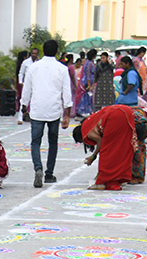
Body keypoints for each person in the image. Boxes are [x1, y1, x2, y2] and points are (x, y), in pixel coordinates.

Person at [22, 39, 73, 188]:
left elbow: (27, 89)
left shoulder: (34, 67)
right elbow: (66, 92)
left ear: (43, 51)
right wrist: (67, 114)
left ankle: (38, 167)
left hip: (37, 109)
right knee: (53, 142)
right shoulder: (62, 69)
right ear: (57, 52)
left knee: (36, 142)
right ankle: (49, 173)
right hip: (54, 110)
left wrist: (24, 105)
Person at [73, 104, 136, 191]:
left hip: (115, 115)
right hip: (127, 111)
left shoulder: (86, 130)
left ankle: (103, 182)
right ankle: (120, 178)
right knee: (122, 148)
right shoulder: (89, 121)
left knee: (108, 151)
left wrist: (93, 156)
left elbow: (101, 142)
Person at [17, 47, 40, 123]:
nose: (34, 55)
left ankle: (33, 117)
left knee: (35, 100)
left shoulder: (39, 63)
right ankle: (20, 118)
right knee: (23, 100)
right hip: (27, 84)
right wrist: (21, 81)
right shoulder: (25, 62)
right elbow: (21, 73)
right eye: (33, 53)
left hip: (36, 84)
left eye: (35, 54)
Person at [77, 49, 97, 117]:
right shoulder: (89, 64)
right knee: (87, 97)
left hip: (90, 82)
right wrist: (89, 85)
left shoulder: (89, 63)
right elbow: (88, 74)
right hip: (87, 82)